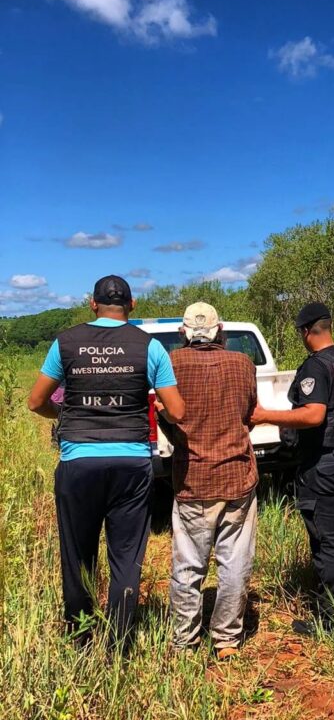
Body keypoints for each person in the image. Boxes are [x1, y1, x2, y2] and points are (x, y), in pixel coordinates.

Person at [27, 275, 184, 648]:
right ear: (132, 305)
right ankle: (120, 642)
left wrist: (64, 415)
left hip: (79, 461)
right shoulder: (149, 347)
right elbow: (176, 411)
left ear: (92, 304)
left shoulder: (65, 342)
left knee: (79, 553)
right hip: (130, 463)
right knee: (126, 556)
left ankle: (81, 637)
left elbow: (35, 402)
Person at [250, 302, 334, 635]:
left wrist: (266, 415)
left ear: (307, 332)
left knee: (328, 541)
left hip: (325, 464)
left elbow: (313, 415)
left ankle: (331, 621)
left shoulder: (316, 367)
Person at [156, 302, 259, 660]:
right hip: (238, 475)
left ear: (184, 332)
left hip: (193, 478)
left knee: (188, 564)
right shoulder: (243, 364)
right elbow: (250, 415)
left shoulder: (171, 364)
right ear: (221, 331)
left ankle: (185, 641)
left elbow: (167, 415)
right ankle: (227, 639)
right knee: (235, 561)